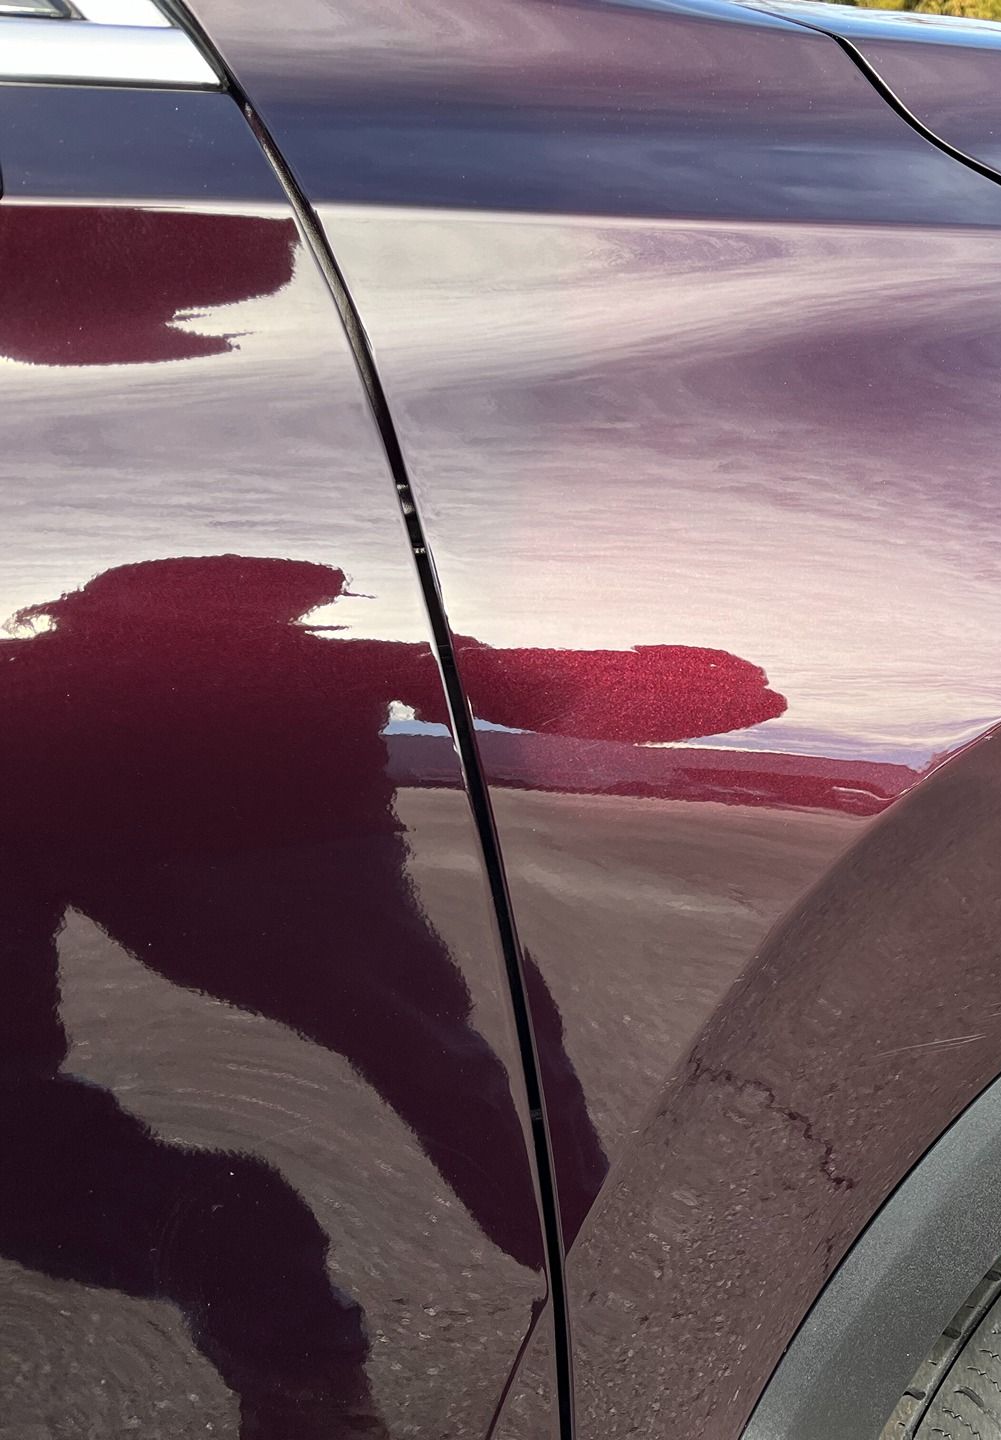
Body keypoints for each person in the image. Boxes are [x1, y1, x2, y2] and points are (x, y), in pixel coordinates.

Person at [0, 554, 786, 1436]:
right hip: (313, 901)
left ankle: (381, 1343)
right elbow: (705, 698)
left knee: (443, 1056)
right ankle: (571, 1271)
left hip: (219, 906)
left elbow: (688, 697)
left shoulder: (39, 682)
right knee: (452, 1053)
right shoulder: (334, 662)